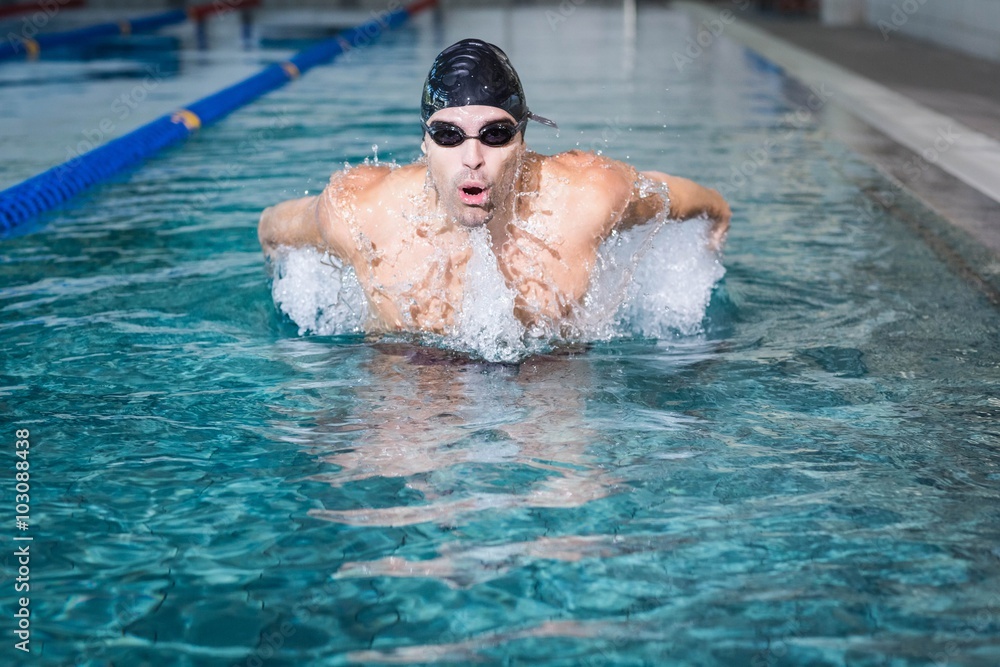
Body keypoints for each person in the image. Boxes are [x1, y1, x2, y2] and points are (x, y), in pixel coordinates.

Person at [258, 38, 731, 335]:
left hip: (550, 375)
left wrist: (716, 224)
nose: (472, 158)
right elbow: (273, 228)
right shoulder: (360, 210)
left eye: (495, 134)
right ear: (424, 141)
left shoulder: (587, 195)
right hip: (410, 378)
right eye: (448, 135)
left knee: (574, 490)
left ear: (523, 139)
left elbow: (682, 198)